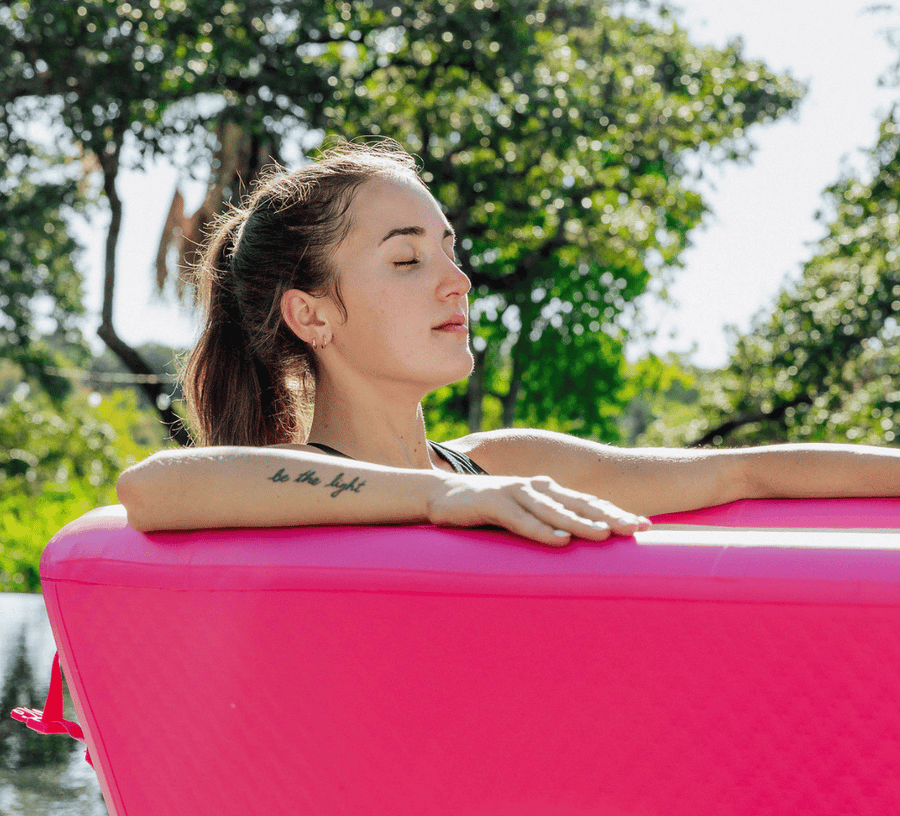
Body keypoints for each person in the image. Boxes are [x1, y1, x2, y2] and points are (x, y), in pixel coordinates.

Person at [117, 140, 900, 543]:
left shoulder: (509, 468)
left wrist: (463, 485)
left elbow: (750, 474)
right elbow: (152, 490)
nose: (455, 279)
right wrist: (439, 497)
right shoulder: (288, 487)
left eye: (449, 250)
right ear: (312, 315)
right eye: (405, 259)